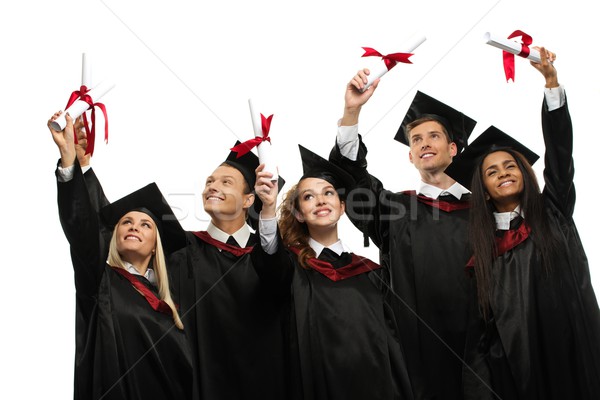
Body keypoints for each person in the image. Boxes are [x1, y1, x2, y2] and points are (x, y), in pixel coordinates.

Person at [445, 47, 600, 399]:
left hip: (576, 357)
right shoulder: (482, 254)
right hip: (521, 375)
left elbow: (561, 154)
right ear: (482, 190)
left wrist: (551, 85)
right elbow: (483, 333)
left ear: (525, 174)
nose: (503, 173)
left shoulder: (553, 213)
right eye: (492, 171)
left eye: (510, 166)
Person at [328, 71, 477, 399]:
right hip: (415, 359)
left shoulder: (486, 212)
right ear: (410, 156)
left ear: (453, 149)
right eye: (416, 139)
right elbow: (352, 180)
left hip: (482, 354)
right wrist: (351, 112)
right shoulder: (394, 210)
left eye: (434, 136)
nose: (424, 142)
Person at [252, 144, 413, 400]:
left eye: (328, 193)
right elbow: (269, 260)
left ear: (341, 207)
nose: (320, 201)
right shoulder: (290, 268)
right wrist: (268, 207)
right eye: (308, 197)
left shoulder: (371, 274)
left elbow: (393, 347)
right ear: (299, 214)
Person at [50, 112, 193, 400]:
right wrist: (71, 161)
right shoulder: (101, 283)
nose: (133, 227)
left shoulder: (175, 299)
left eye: (145, 225)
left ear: (156, 245)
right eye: (126, 222)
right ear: (114, 235)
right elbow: (83, 230)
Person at [166, 142, 288, 399]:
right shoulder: (181, 251)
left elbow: (276, 270)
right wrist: (78, 167)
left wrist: (269, 209)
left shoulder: (271, 254)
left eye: (225, 182)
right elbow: (111, 235)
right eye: (210, 181)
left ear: (248, 200)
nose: (212, 186)